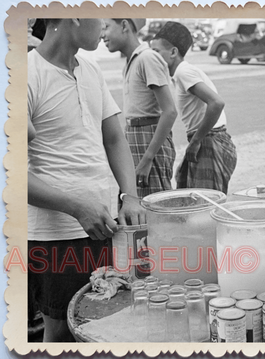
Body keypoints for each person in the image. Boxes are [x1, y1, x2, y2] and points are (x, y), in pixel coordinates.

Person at [28, 18, 145, 342]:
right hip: (56, 237)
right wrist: (77, 207)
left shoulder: (90, 70)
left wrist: (130, 196)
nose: (104, 27)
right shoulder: (24, 73)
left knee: (104, 320)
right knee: (63, 329)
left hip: (102, 226)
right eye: (101, 18)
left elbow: (114, 139)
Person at [150, 21, 237, 194]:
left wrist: (196, 141)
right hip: (208, 139)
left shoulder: (184, 72)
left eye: (156, 52)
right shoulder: (183, 73)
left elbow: (216, 103)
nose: (152, 58)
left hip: (209, 140)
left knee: (204, 204)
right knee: (189, 194)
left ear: (173, 52)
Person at [101, 18, 178, 198]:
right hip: (135, 137)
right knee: (134, 202)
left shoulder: (147, 58)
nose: (102, 34)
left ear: (125, 25)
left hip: (149, 139)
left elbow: (170, 111)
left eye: (106, 27)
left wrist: (148, 158)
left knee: (153, 206)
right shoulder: (131, 61)